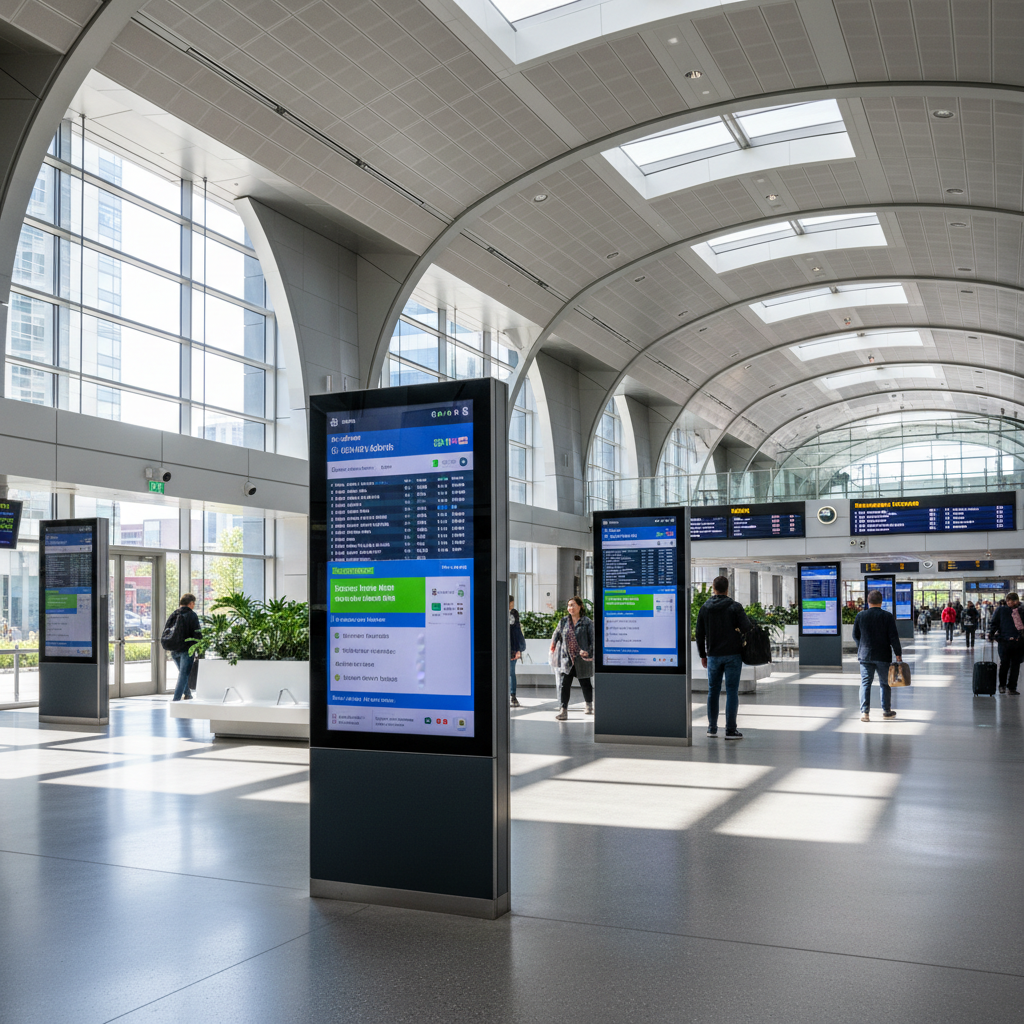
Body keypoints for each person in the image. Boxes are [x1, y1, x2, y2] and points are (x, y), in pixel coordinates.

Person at [695, 575, 752, 740]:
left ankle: (712, 729)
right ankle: (730, 730)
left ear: (713, 588)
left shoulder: (705, 608)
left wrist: (702, 655)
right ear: (728, 589)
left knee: (713, 690)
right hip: (733, 654)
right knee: (732, 691)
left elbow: (699, 635)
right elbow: (747, 627)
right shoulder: (735, 607)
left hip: (713, 655)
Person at [853, 589, 902, 723]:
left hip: (865, 655)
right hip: (883, 655)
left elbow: (855, 635)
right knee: (885, 684)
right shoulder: (887, 616)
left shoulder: (860, 616)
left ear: (868, 602)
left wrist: (861, 646)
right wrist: (898, 654)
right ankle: (886, 711)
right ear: (881, 602)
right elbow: (893, 637)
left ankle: (865, 713)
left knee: (865, 683)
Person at [550, 596, 594, 720]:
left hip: (582, 658)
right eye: (569, 605)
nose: (570, 608)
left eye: (573, 605)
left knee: (585, 683)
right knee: (564, 685)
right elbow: (557, 634)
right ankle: (563, 710)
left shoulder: (587, 622)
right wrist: (552, 645)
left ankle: (589, 704)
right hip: (567, 659)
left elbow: (593, 639)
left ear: (580, 607)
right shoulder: (563, 621)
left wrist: (589, 651)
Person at [166, 594, 202, 701]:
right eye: (193, 603)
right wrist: (198, 648)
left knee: (183, 675)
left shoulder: (174, 614)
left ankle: (188, 694)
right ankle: (176, 700)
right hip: (187, 649)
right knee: (183, 675)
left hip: (174, 649)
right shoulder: (192, 615)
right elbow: (197, 633)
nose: (194, 605)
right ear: (190, 603)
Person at [988, 592, 1024, 694]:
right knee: (1005, 664)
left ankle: (1012, 687)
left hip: (1018, 642)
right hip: (1004, 641)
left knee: (1015, 665)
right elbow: (994, 623)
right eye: (1007, 601)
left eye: (1011, 601)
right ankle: (1002, 685)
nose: (1009, 603)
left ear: (1016, 601)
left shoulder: (1021, 610)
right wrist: (990, 633)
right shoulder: (1001, 610)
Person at [509, 595, 526, 709]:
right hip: (500, 646)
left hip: (512, 647)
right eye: (512, 602)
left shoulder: (514, 613)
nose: (513, 604)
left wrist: (518, 649)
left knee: (511, 672)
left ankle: (513, 695)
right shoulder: (496, 611)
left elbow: (517, 631)